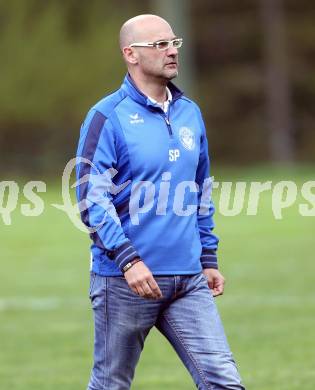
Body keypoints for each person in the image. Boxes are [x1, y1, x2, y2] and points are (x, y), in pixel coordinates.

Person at [76, 14, 245, 390]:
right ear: (131, 54)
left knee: (224, 381)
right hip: (124, 280)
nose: (171, 51)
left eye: (174, 43)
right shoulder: (107, 116)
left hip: (188, 279)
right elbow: (91, 197)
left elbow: (199, 191)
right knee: (111, 384)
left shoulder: (191, 113)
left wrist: (208, 257)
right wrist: (128, 260)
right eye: (159, 44)